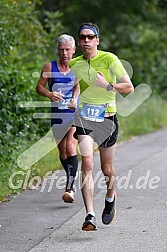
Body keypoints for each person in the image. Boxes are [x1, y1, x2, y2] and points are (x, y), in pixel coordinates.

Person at [68, 23, 134, 230]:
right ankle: (90, 214)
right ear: (78, 42)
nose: (86, 40)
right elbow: (78, 83)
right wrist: (74, 98)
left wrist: (107, 85)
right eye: (82, 37)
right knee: (87, 163)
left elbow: (129, 88)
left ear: (97, 40)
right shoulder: (75, 63)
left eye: (90, 37)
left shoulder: (109, 59)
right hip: (85, 117)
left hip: (107, 118)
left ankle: (110, 196)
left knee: (106, 169)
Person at [36, 34, 79, 203]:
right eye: (61, 49)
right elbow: (39, 86)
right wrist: (49, 93)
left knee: (70, 147)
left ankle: (69, 187)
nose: (65, 53)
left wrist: (75, 99)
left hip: (73, 112)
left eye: (68, 49)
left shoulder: (78, 67)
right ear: (57, 50)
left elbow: (78, 86)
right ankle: (71, 181)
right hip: (57, 114)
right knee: (62, 152)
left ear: (74, 50)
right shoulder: (49, 66)